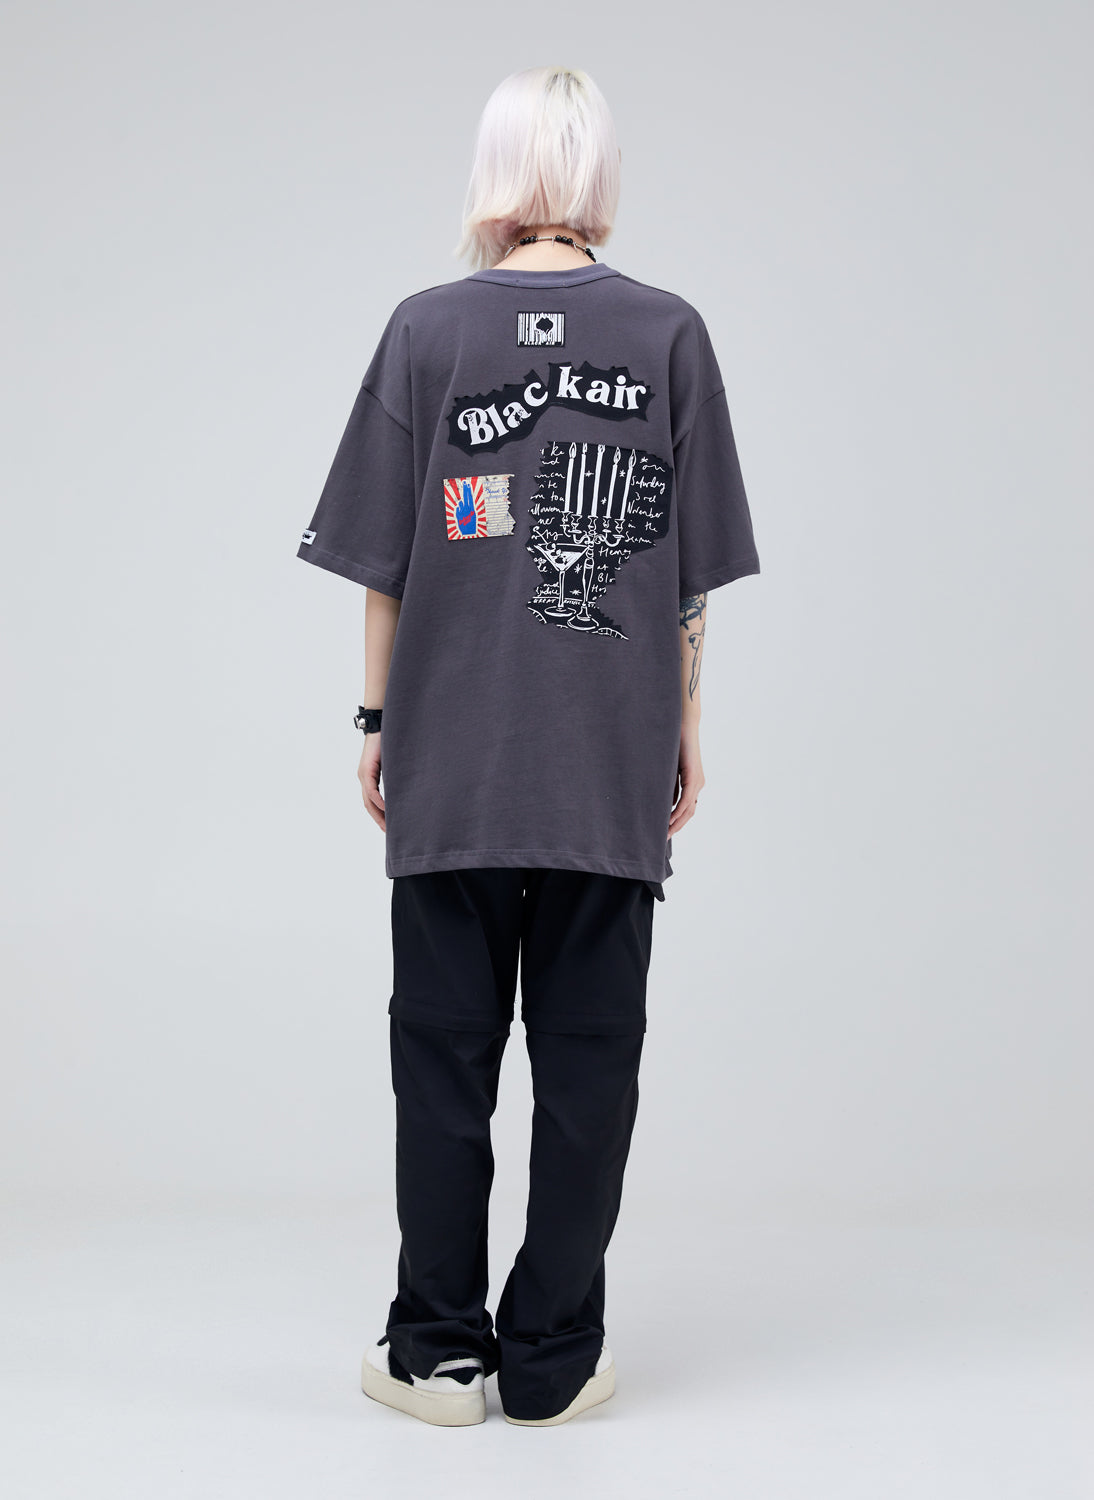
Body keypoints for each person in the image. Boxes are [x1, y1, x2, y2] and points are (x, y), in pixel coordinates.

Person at [296, 64, 760, 1427]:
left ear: (493, 172)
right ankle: (552, 1358)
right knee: (589, 1064)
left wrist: (376, 723)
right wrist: (683, 726)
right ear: (599, 173)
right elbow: (687, 580)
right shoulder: (669, 333)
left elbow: (386, 563)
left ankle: (438, 1354)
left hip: (453, 762)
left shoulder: (426, 330)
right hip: (607, 763)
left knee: (441, 1061)